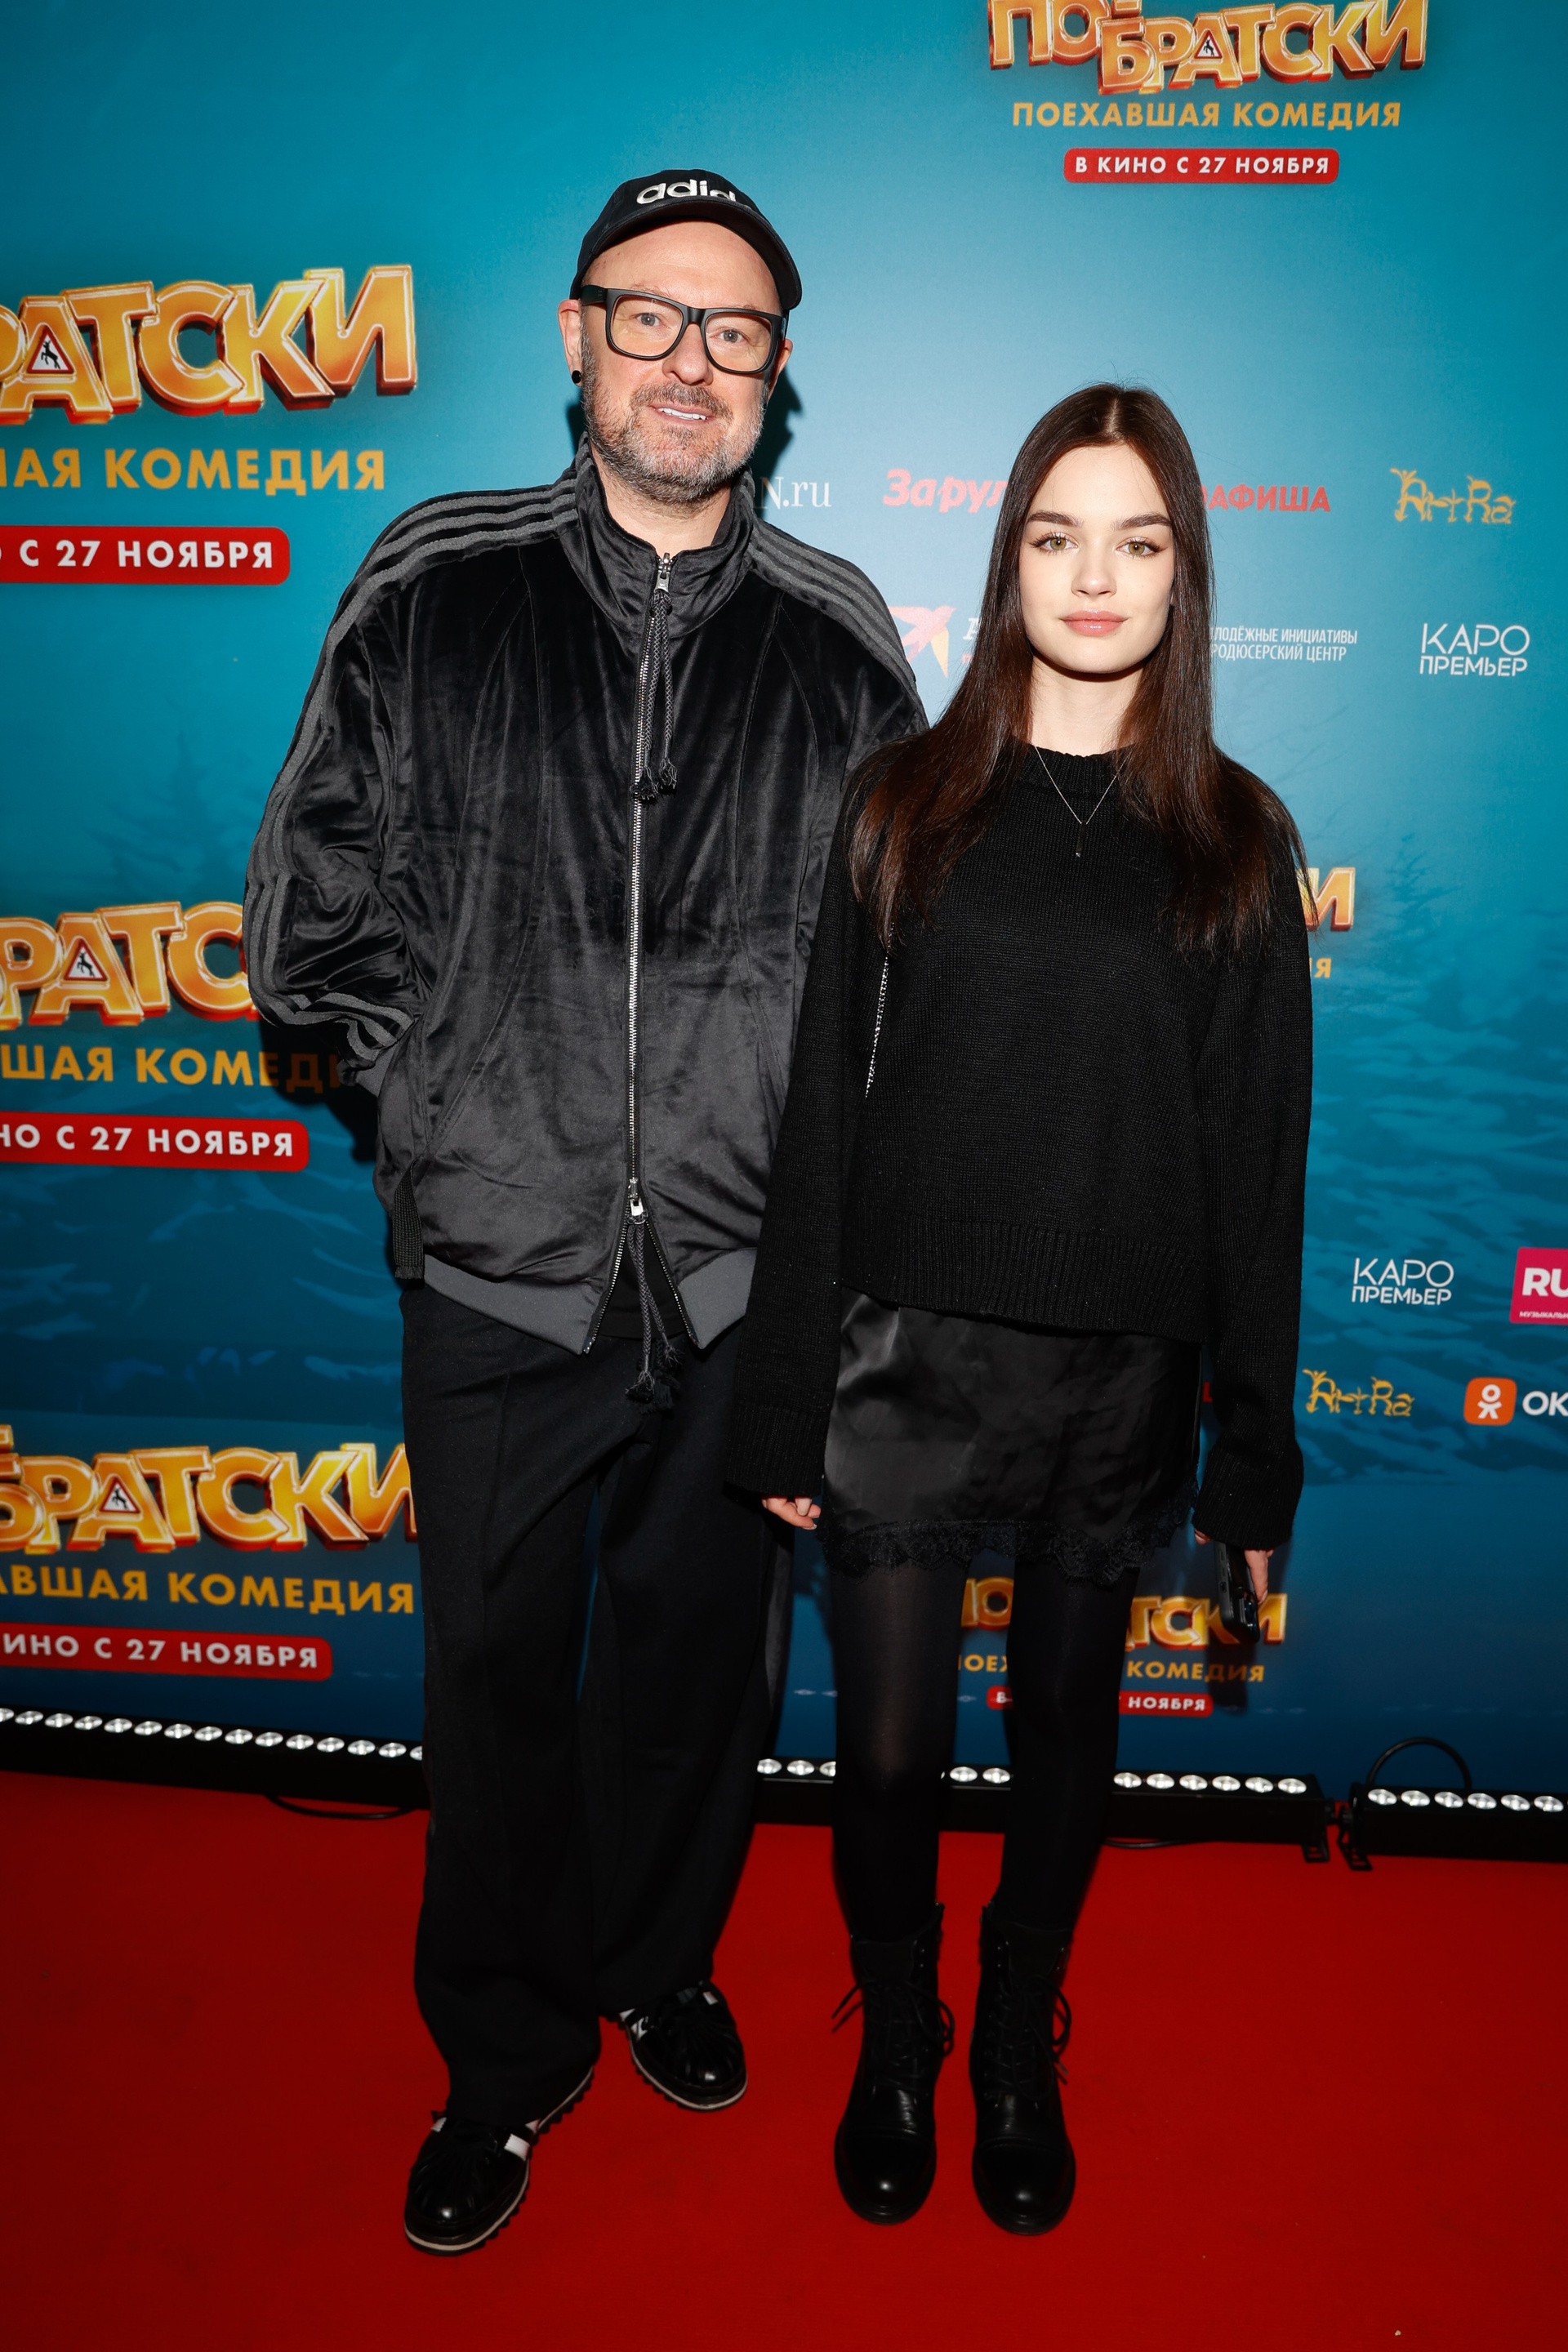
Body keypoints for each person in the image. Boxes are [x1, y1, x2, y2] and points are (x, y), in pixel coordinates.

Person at [243, 168, 923, 2256]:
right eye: (650, 315)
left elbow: (898, 981)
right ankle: (505, 2053)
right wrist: (447, 1113)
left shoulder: (839, 641)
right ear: (573, 333)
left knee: (703, 1675)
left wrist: (808, 1235)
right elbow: (302, 925)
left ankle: (656, 1960)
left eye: (735, 330)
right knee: (495, 1683)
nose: (688, 361)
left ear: (778, 370)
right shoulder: (432, 584)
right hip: (499, 1276)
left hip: (740, 1286)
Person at [728, 384, 1312, 2234]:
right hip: (902, 1347)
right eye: (1059, 535)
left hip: (1120, 1368)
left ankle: (1009, 2039)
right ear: (1009, 561)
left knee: (1068, 1729)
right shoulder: (904, 801)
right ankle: (897, 2031)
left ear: (1185, 576)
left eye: (1139, 541)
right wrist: (783, 1385)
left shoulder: (1236, 837)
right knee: (891, 1750)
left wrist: (1255, 1454)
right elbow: (822, 1112)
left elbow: (1261, 1169)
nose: (1095, 575)